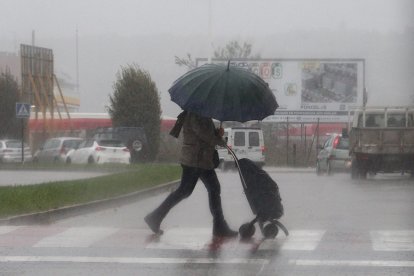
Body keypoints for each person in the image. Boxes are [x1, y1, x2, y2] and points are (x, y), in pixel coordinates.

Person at [144, 111, 238, 237]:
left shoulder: (200, 112)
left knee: (211, 188)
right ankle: (155, 217)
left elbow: (204, 133)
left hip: (201, 160)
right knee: (185, 191)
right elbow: (202, 134)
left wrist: (216, 133)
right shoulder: (195, 113)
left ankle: (219, 225)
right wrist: (218, 139)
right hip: (195, 160)